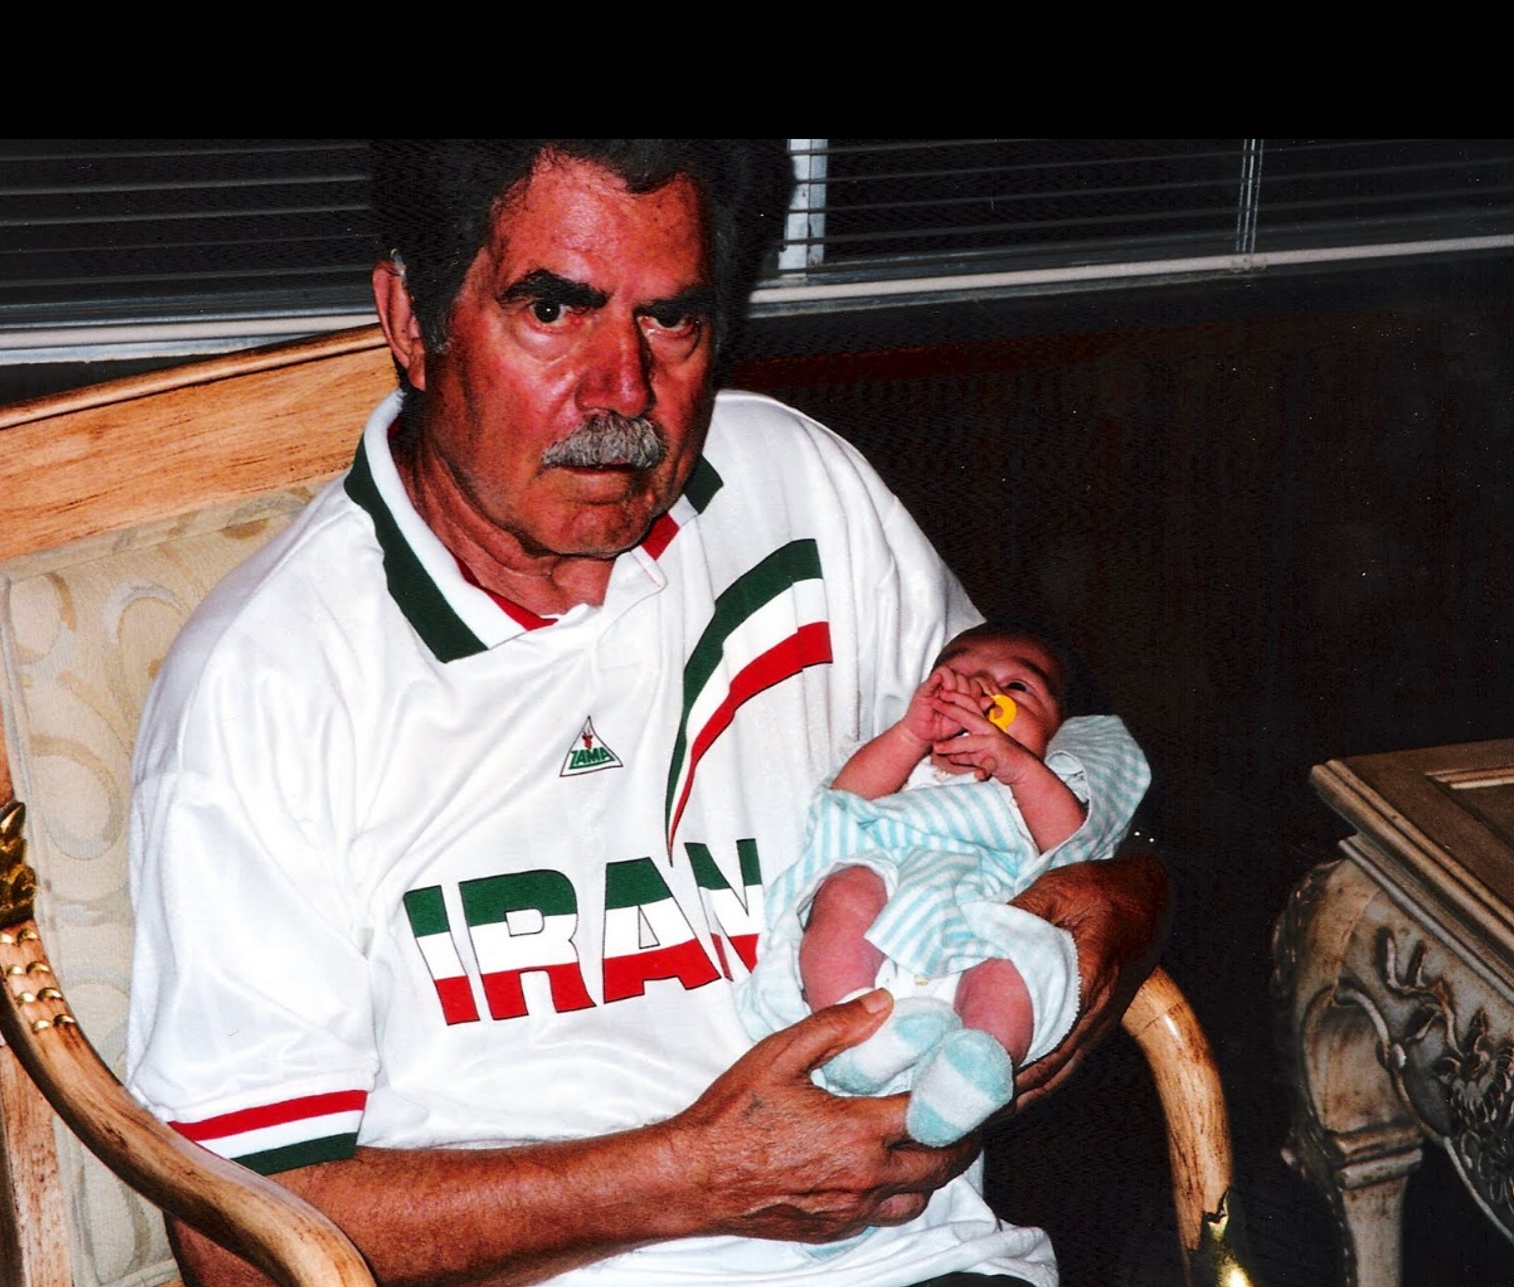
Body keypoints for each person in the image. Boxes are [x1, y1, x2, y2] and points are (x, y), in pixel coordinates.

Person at [125, 140, 1169, 1287]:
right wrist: (691, 1178)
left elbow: (1065, 760)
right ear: (412, 321)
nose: (621, 391)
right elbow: (240, 1245)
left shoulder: (796, 493)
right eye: (550, 311)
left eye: (668, 321)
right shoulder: (271, 678)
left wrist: (1124, 895)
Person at [738, 624, 1150, 1155]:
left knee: (1018, 958)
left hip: (983, 925)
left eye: (1016, 687)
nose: (981, 693)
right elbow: (843, 805)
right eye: (957, 677)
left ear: (1055, 731)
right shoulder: (908, 769)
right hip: (884, 936)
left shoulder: (1048, 780)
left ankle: (974, 1062)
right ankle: (850, 1031)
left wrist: (1017, 766)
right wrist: (912, 734)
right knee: (846, 889)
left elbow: (1074, 845)